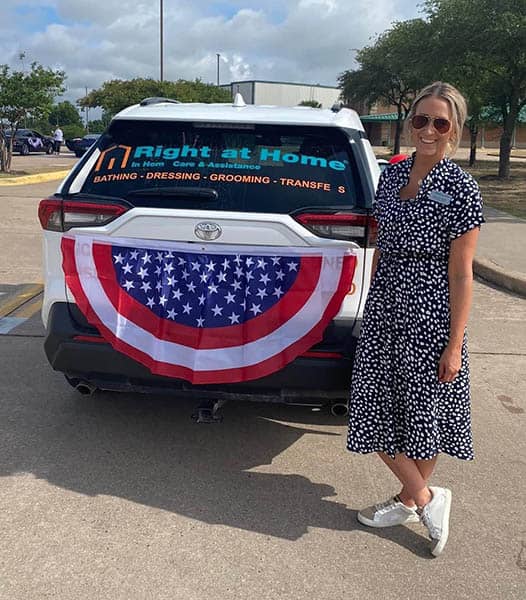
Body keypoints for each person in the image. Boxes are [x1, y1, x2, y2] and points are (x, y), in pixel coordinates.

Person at [347, 81, 484, 557]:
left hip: (431, 317)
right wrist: (369, 304)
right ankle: (425, 497)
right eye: (421, 120)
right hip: (386, 309)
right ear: (410, 124)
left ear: (455, 131)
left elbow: (462, 273)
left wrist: (455, 343)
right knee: (373, 408)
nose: (428, 130)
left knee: (422, 417)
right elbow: (383, 249)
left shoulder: (462, 188)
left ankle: (411, 500)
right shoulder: (390, 176)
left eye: (440, 123)